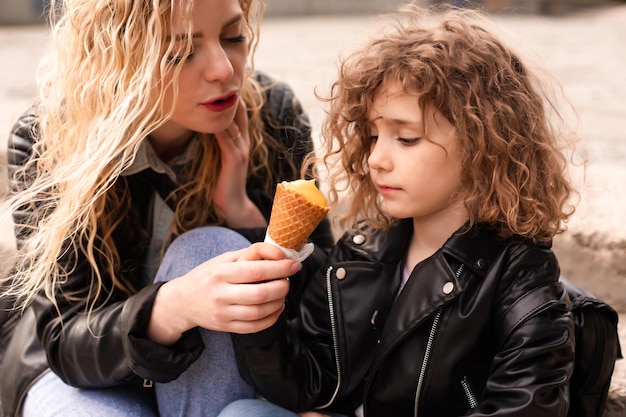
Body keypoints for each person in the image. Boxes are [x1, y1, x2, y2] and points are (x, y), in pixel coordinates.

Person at [221, 4, 580, 417]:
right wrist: (261, 321)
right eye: (373, 136)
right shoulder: (362, 247)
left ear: (485, 146)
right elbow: (312, 386)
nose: (376, 159)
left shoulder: (520, 272)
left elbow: (524, 406)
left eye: (406, 138)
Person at [0, 0, 333, 416]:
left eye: (233, 37)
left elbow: (327, 303)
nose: (223, 70)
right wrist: (172, 307)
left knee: (208, 246)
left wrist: (240, 211)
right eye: (179, 53)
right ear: (117, 54)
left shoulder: (271, 112)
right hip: (79, 376)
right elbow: (65, 338)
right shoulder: (48, 138)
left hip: (214, 380)